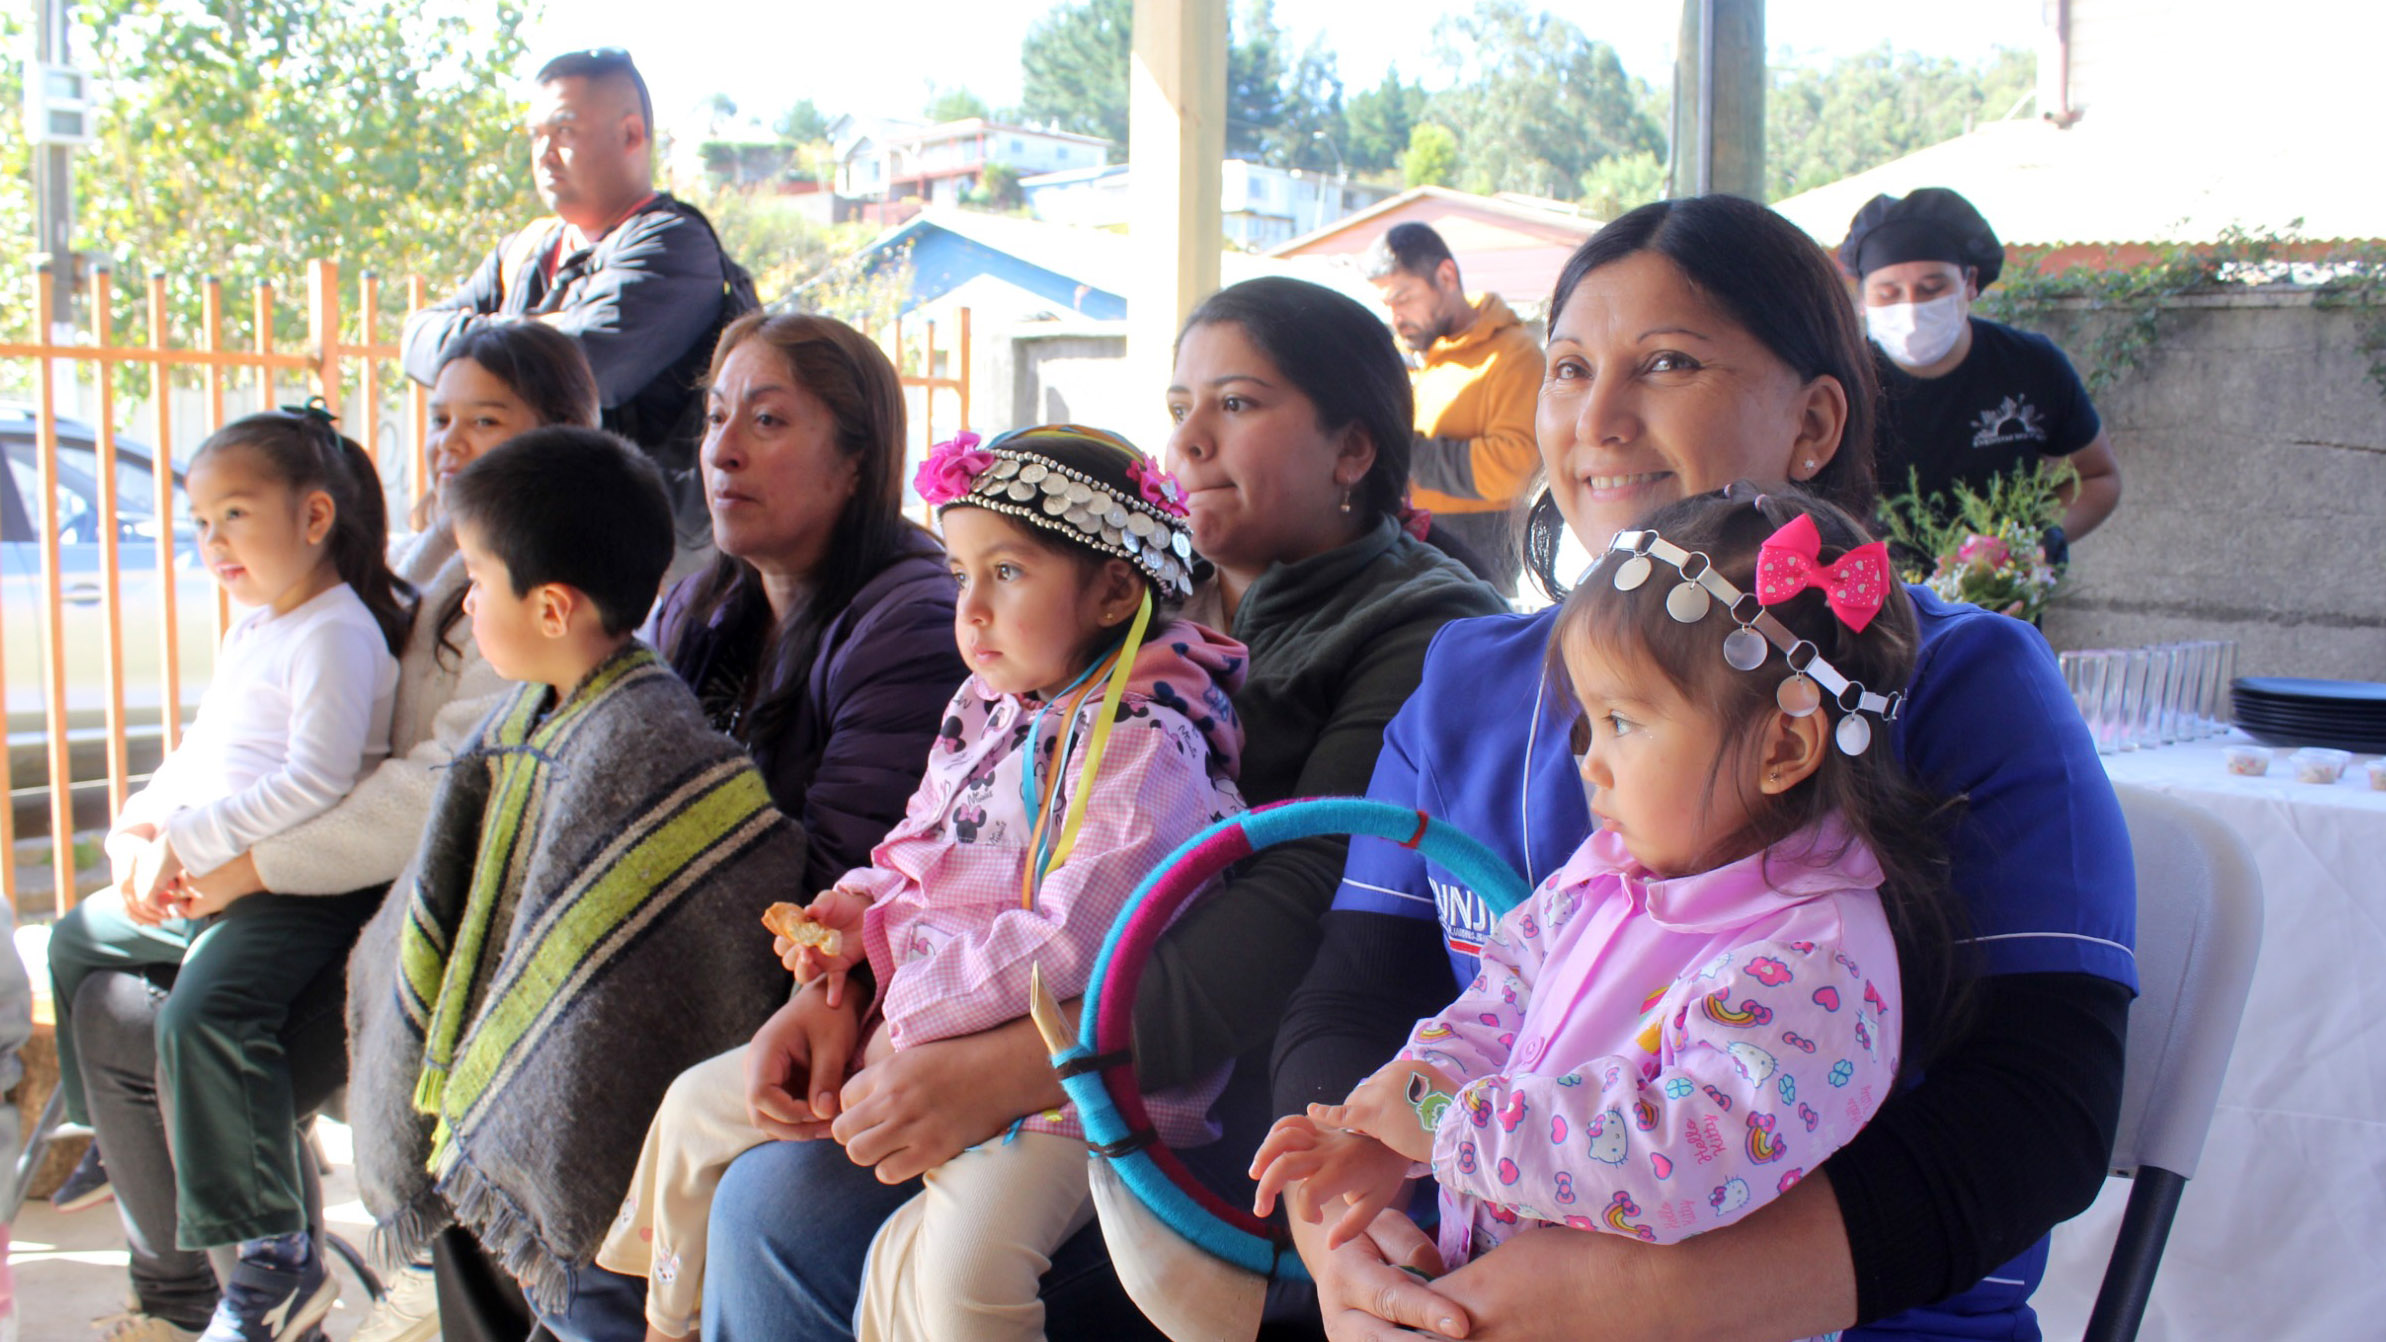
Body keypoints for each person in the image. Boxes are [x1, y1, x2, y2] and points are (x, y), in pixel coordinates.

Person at [1273, 194, 2136, 1342]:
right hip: (1456, 1286)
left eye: (1667, 362)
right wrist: (1343, 1240)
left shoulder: (1961, 683)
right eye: (1570, 366)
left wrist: (1630, 1300)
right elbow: (1354, 998)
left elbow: (2038, 1110)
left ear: (1815, 422)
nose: (1599, 418)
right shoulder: (1465, 682)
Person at [697, 277, 1507, 1342]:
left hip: (1235, 1093)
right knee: (763, 1167)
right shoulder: (1131, 607)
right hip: (1037, 1019)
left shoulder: (1420, 624)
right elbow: (960, 834)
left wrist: (1015, 1066)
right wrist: (843, 988)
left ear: (1353, 451)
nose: (1190, 440)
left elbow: (1294, 902)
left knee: (790, 1212)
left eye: (1237, 403)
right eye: (1179, 406)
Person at [600, 425, 1246, 1342]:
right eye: (958, 575)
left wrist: (898, 999)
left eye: (1008, 573)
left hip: (1064, 1089)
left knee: (964, 1281)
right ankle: (667, 1325)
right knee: (697, 1113)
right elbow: (920, 845)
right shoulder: (988, 707)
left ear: (1115, 590)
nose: (971, 609)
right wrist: (856, 917)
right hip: (919, 1032)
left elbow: (1076, 939)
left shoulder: (1149, 746)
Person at [1257, 486, 1965, 1303]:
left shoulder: (1813, 962)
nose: (1587, 761)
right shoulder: (1601, 873)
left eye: (1623, 722)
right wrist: (1397, 1120)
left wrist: (1451, 1130)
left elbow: (1678, 1159)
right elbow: (1494, 1011)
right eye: (1585, 724)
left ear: (1786, 746)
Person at [52, 327, 593, 1342]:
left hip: (422, 935)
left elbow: (425, 789)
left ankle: (268, 1279)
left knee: (189, 1027)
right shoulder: (427, 556)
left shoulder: (540, 592)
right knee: (110, 998)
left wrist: (235, 862)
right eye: (442, 416)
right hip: (325, 888)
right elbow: (228, 737)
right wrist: (146, 827)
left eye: (487, 418)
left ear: (562, 436)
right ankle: (193, 1301)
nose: (450, 440)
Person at [344, 429, 807, 1342]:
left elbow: (671, 937)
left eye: (477, 580)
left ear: (552, 607)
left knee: (597, 1306)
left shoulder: (644, 744)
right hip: (505, 1104)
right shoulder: (520, 720)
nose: (465, 603)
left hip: (609, 1130)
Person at [40, 406, 408, 1342]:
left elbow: (316, 780)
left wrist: (195, 841)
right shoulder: (258, 629)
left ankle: (279, 1258)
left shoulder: (334, 630)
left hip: (291, 891)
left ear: (315, 517)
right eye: (200, 523)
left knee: (208, 1012)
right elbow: (204, 749)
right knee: (79, 935)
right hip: (205, 868)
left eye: (234, 516)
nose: (212, 542)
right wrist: (142, 827)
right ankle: (106, 1146)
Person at [653, 312, 968, 897]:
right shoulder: (695, 607)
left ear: (857, 460)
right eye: (716, 417)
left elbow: (832, 897)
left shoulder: (913, 630)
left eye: (766, 419)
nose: (723, 450)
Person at [400, 47, 755, 536]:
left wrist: (497, 338)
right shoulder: (526, 249)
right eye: (536, 135)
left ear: (631, 134)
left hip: (627, 551)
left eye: (565, 131)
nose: (544, 153)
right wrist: (524, 336)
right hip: (523, 526)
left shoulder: (672, 245)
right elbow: (415, 337)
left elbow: (582, 365)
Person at [1839, 187, 2122, 557]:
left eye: (1931, 288)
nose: (1911, 309)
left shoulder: (2031, 366)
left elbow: (2097, 476)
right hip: (1879, 602)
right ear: (1862, 299)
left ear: (1969, 282)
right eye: (1889, 294)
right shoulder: (1843, 382)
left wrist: (2033, 542)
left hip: (1997, 602)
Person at [1363, 222, 1544, 594]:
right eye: (1387, 305)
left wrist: (1401, 450)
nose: (1396, 317)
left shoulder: (1514, 355)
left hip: (1475, 567)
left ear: (1446, 276)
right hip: (1422, 552)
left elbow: (1516, 469)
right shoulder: (1431, 357)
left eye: (1403, 298)